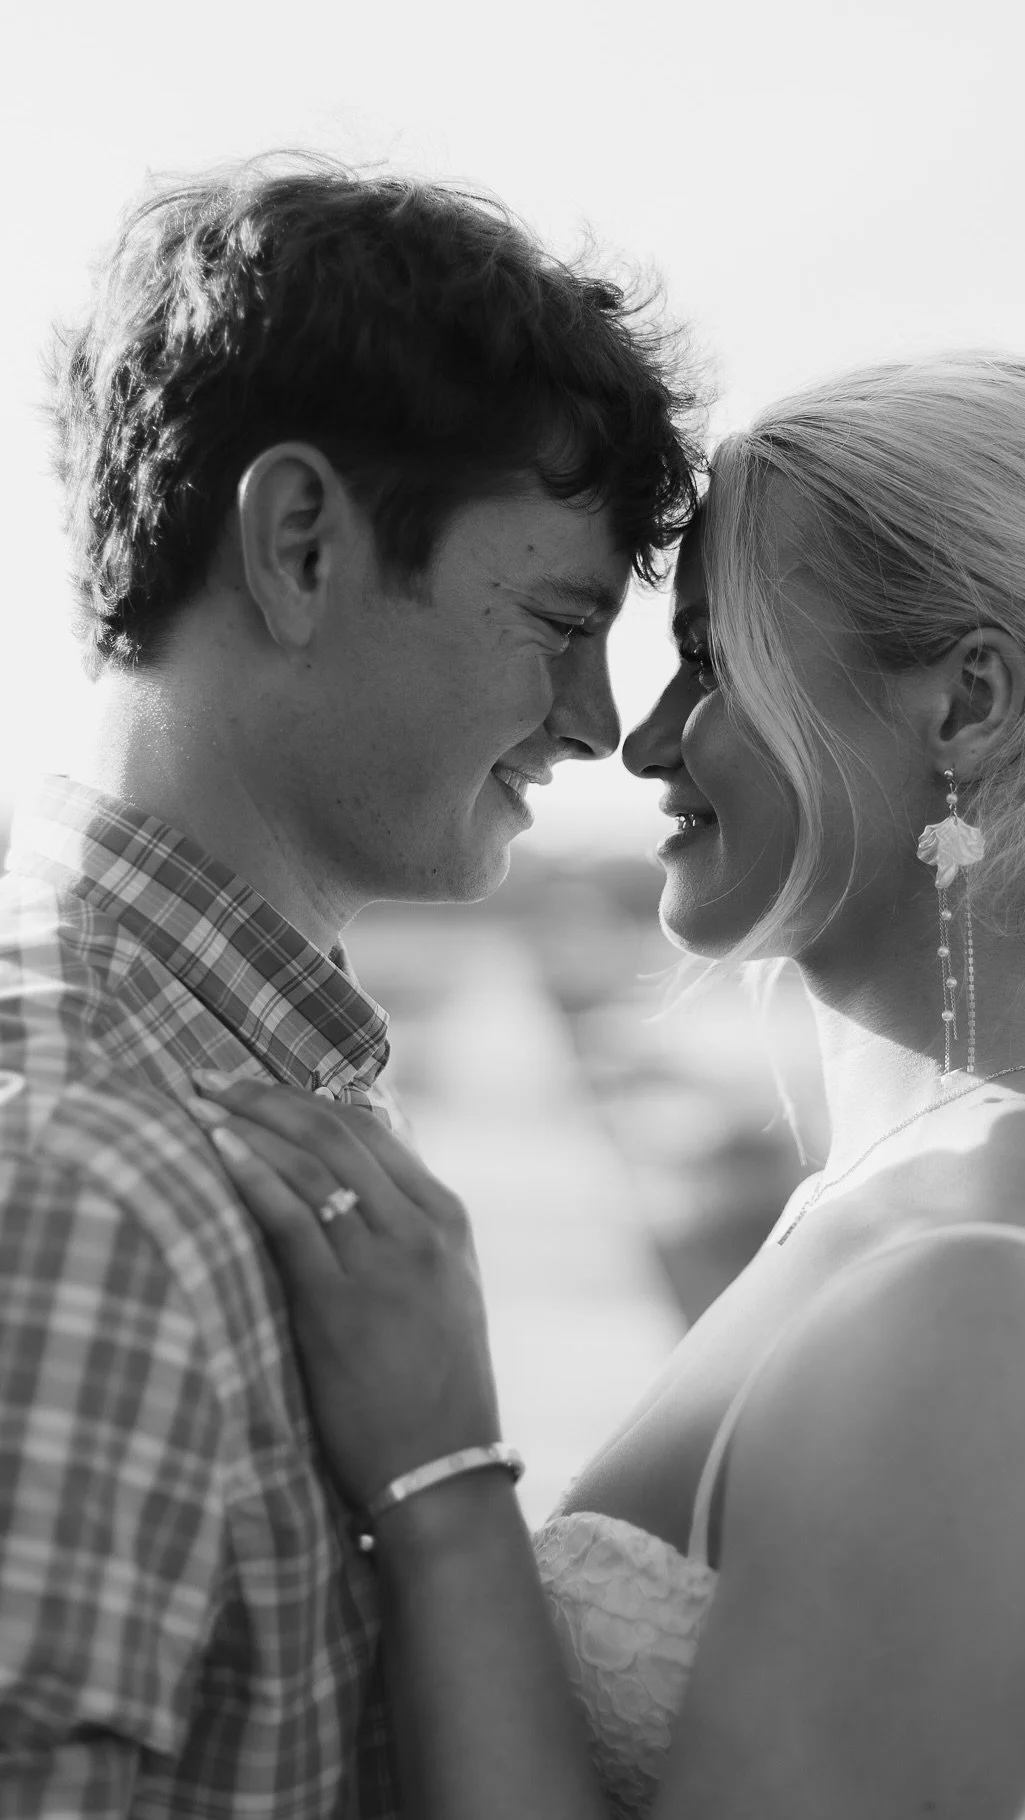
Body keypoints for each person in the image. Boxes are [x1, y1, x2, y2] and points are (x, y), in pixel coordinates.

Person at [197, 354, 1025, 1819]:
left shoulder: (991, 1316)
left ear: (967, 708)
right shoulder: (920, 1194)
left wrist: (441, 1477)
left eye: (716, 657)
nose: (643, 735)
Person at [0, 154, 699, 1815]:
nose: (600, 722)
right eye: (554, 617)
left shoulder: (223, 1079)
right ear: (302, 541)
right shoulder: (85, 1177)